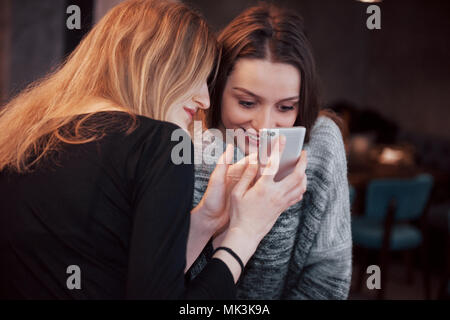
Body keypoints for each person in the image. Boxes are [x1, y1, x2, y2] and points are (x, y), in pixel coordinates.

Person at [0, 0, 307, 299]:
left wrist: (205, 220)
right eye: (198, 76)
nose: (205, 100)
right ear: (158, 67)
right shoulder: (160, 144)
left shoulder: (25, 137)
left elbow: (123, 279)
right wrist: (245, 234)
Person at [187, 3, 353, 299]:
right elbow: (163, 278)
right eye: (247, 103)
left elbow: (328, 277)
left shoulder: (321, 144)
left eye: (286, 107)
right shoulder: (188, 141)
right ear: (215, 88)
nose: (264, 126)